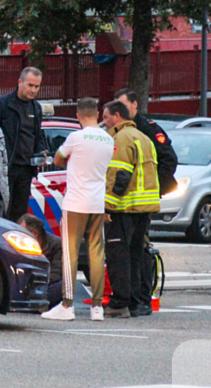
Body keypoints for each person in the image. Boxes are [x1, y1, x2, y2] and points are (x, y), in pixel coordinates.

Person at [41, 97, 113, 322]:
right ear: (98, 114)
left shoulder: (75, 137)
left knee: (70, 254)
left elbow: (58, 158)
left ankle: (67, 305)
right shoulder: (108, 139)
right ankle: (97, 307)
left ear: (78, 115)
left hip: (75, 203)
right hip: (97, 203)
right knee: (96, 255)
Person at [102, 100, 160, 319]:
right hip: (143, 208)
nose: (104, 122)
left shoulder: (121, 139)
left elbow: (120, 174)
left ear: (117, 116)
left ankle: (119, 303)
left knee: (118, 256)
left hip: (125, 208)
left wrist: (107, 206)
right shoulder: (144, 138)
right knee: (136, 256)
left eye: (106, 117)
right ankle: (136, 302)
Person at [0, 66, 48, 222]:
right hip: (6, 169)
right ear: (20, 82)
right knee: (3, 212)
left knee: (20, 216)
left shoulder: (36, 108)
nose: (33, 90)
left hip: (26, 169)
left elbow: (37, 135)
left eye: (37, 86)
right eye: (30, 85)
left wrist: (40, 153)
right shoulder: (3, 104)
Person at [114, 88, 179, 197]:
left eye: (123, 106)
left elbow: (169, 159)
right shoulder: (117, 130)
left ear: (134, 104)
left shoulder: (149, 130)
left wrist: (154, 187)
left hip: (144, 198)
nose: (120, 111)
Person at [17, 214, 63, 306]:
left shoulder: (57, 244)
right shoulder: (18, 243)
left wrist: (37, 284)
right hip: (24, 284)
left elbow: (57, 274)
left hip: (46, 284)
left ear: (34, 234)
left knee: (62, 286)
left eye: (22, 233)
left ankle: (37, 302)